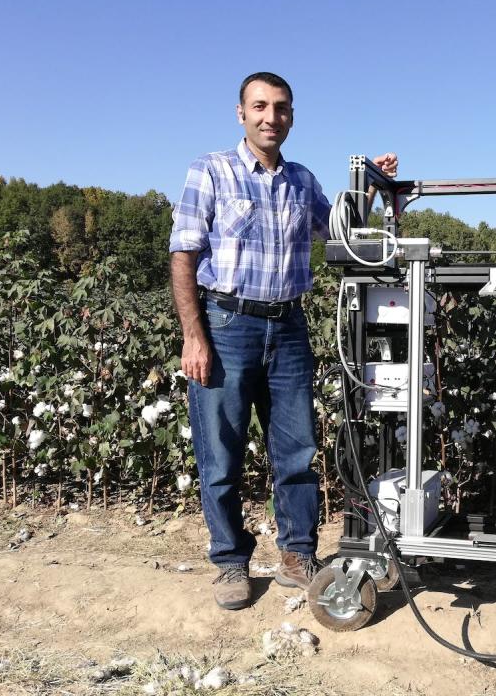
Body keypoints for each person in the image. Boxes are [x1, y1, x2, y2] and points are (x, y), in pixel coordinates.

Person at [169, 71, 397, 610]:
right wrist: (193, 335)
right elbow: (183, 256)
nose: (272, 117)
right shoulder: (212, 171)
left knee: (297, 451)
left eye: (283, 108)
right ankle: (229, 562)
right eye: (261, 107)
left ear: (292, 115)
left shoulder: (302, 179)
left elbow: (341, 231)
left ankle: (298, 554)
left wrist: (374, 186)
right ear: (241, 113)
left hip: (288, 327)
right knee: (219, 454)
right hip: (225, 326)